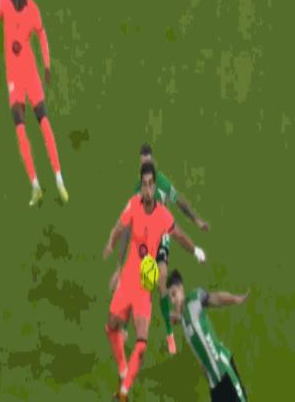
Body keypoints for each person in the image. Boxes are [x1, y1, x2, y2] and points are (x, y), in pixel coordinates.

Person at [103, 162, 207, 401]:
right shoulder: (133, 205)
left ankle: (123, 393)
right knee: (110, 328)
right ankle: (123, 371)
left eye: (151, 184)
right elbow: (119, 227)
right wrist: (110, 245)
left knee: (141, 345)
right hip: (127, 281)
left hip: (143, 288)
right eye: (144, 185)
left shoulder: (162, 215)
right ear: (141, 186)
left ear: (154, 186)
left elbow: (179, 235)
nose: (148, 189)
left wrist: (196, 251)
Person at [110, 143, 208, 355]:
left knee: (161, 279)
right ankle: (125, 327)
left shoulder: (161, 183)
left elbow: (180, 203)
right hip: (143, 240)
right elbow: (128, 228)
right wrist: (120, 261)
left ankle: (169, 333)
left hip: (161, 234)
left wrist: (197, 221)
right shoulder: (137, 192)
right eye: (142, 163)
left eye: (148, 161)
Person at [0, 0, 68, 206]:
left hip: (30, 73)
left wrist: (47, 64)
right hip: (14, 77)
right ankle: (35, 186)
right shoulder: (3, 3)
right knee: (20, 125)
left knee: (44, 120)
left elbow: (42, 35)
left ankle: (59, 179)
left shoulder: (33, 9)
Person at [167, 269, 249, 402]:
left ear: (181, 289)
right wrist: (175, 316)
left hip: (223, 370)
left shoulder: (194, 300)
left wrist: (235, 299)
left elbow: (217, 298)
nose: (172, 300)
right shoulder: (183, 316)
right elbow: (183, 318)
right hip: (213, 382)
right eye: (170, 297)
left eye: (174, 294)